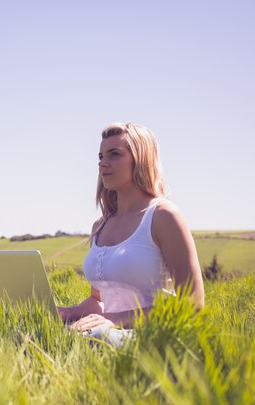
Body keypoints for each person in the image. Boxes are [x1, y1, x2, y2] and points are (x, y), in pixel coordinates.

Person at [57, 122, 204, 347]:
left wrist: (111, 320)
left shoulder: (163, 216)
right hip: (108, 334)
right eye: (100, 156)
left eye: (114, 154)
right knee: (31, 335)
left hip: (156, 336)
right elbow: (98, 300)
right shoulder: (100, 225)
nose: (103, 163)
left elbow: (192, 304)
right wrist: (69, 312)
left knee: (98, 337)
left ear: (140, 159)